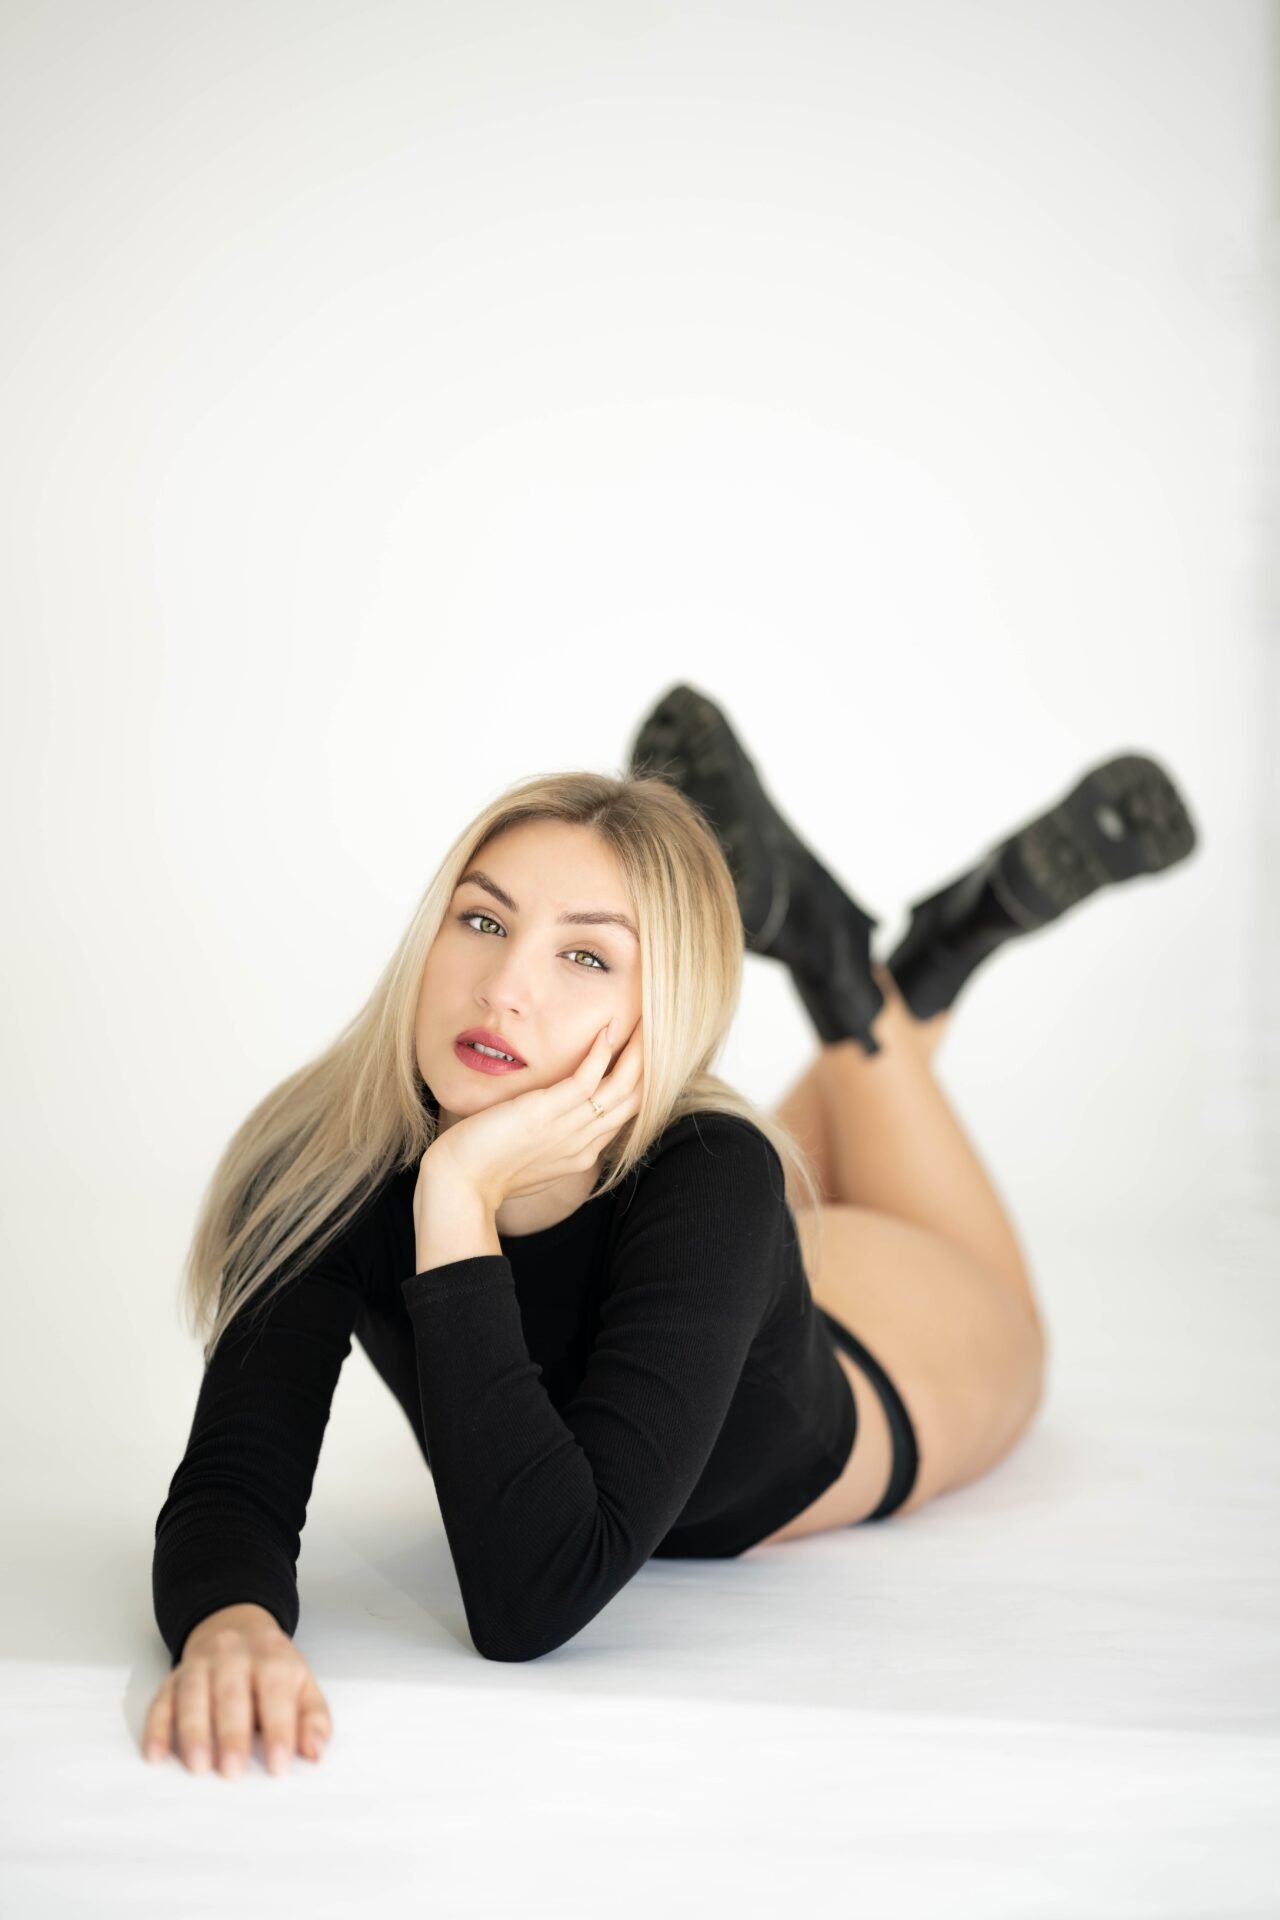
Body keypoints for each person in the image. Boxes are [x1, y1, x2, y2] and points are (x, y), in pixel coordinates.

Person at [143, 682, 1198, 1778]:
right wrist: (228, 1622)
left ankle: (866, 972)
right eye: (483, 921)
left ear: (662, 1016)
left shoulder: (715, 1174)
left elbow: (529, 1599)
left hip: (888, 1345)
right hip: (712, 1280)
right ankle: (896, 960)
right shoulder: (322, 1165)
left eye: (586, 957)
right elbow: (234, 1481)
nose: (503, 988)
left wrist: (454, 1197)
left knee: (1011, 1327)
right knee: (777, 1158)